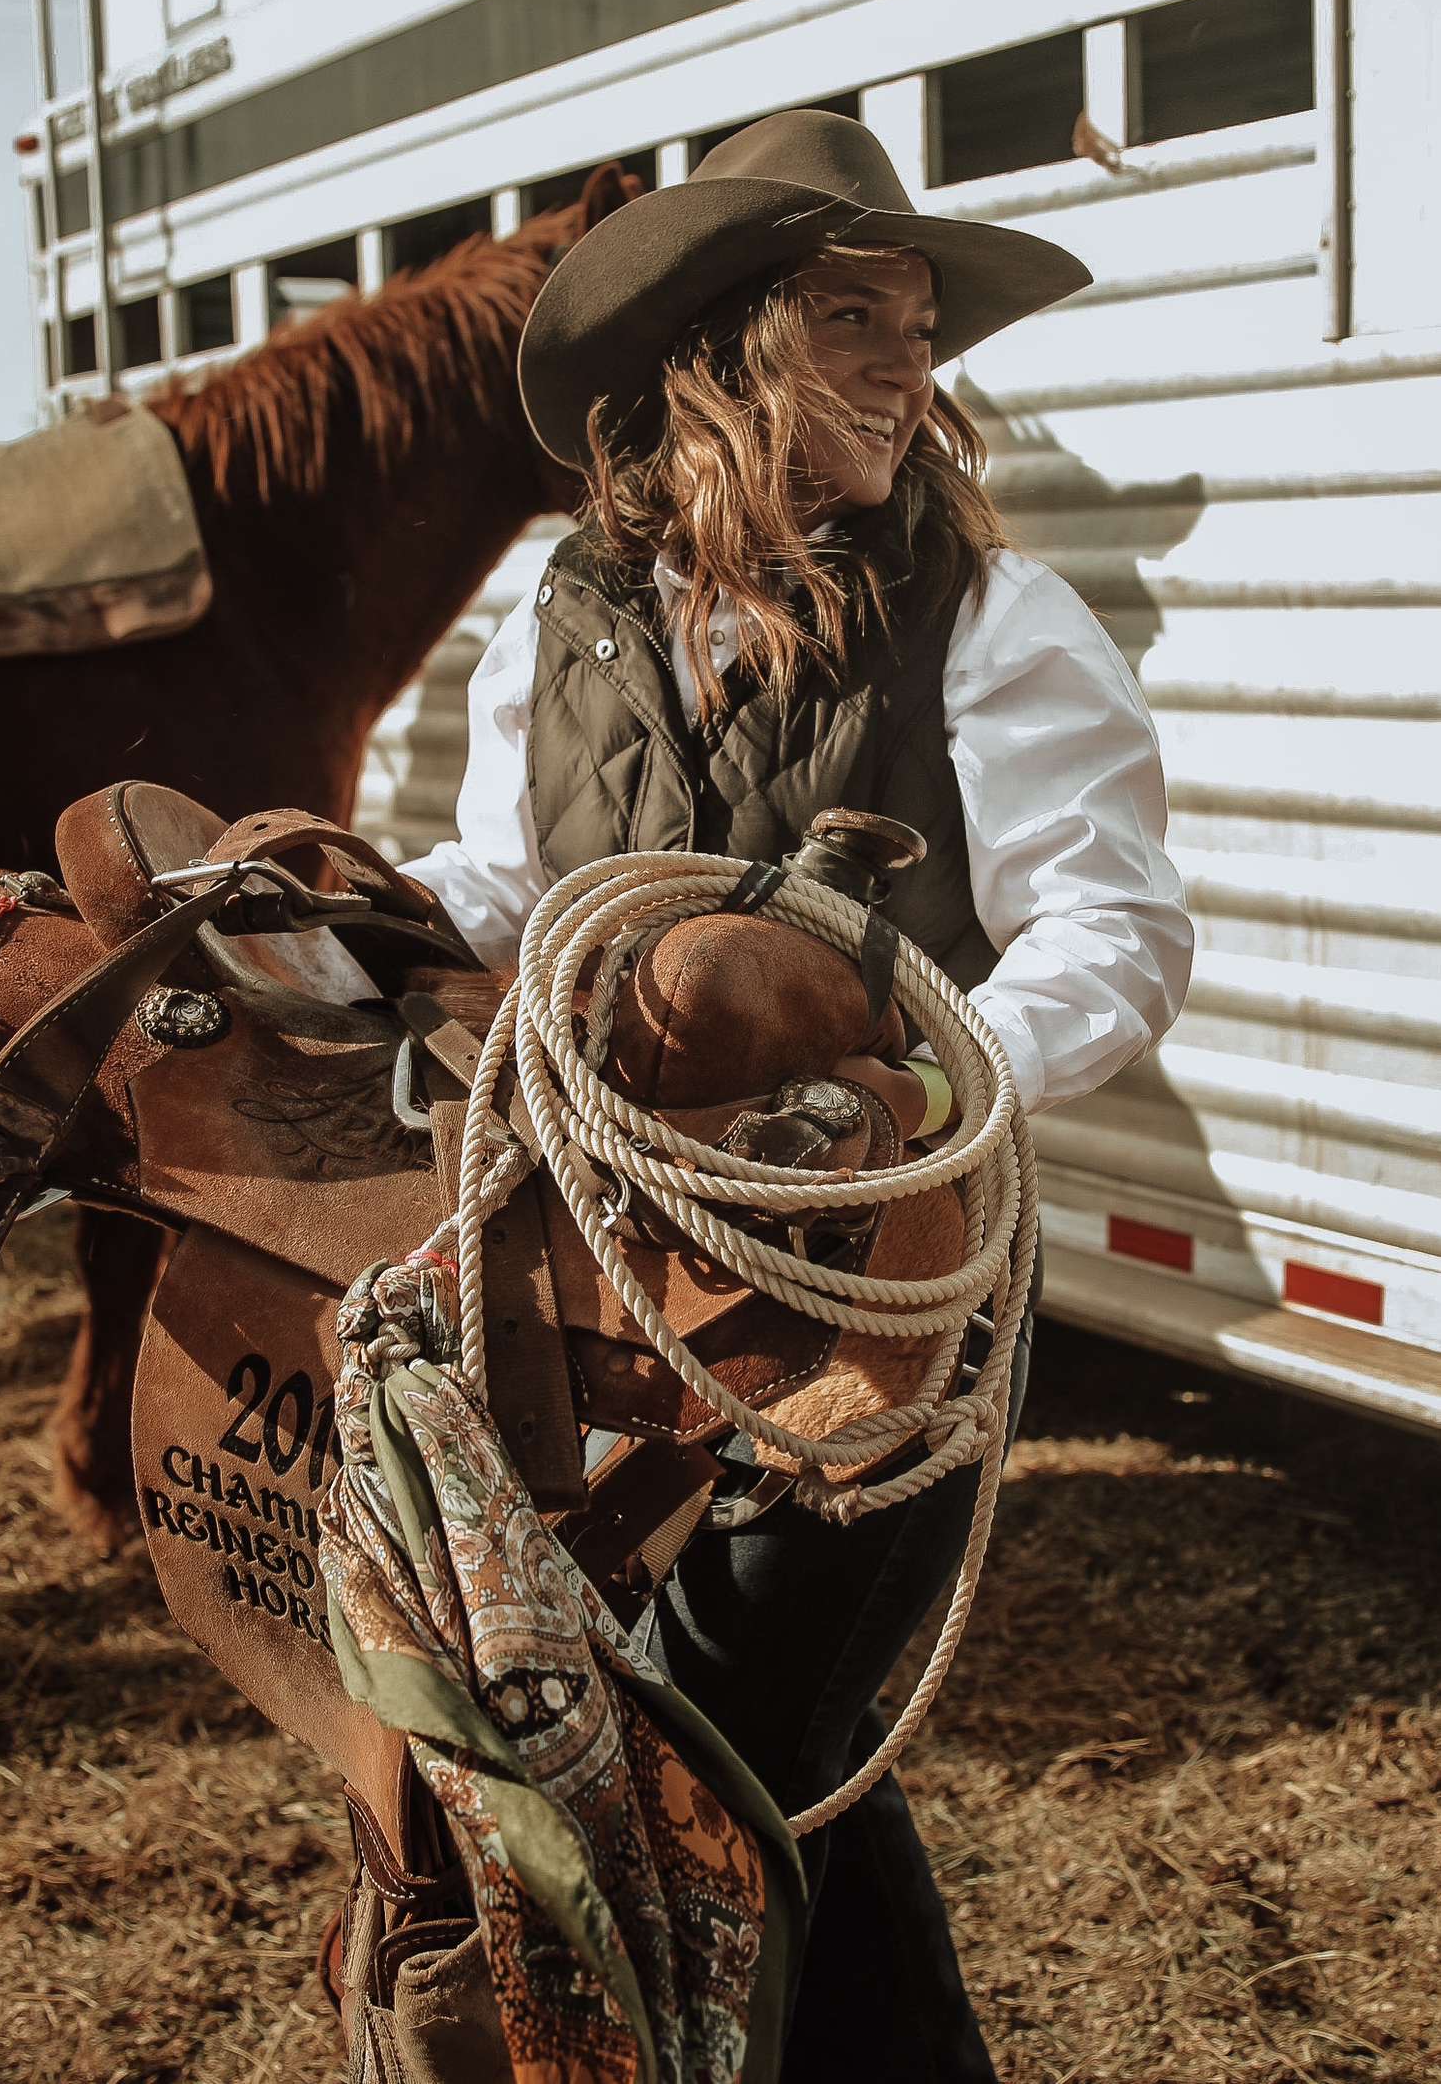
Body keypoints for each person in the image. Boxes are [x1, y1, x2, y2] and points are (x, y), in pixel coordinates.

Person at [403, 110, 1194, 2080]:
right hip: (615, 1295)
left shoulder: (985, 620)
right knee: (760, 1744)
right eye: (857, 317)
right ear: (723, 346)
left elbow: (1113, 930)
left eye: (917, 327)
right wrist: (338, 910)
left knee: (705, 1730)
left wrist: (928, 1093)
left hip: (884, 1306)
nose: (910, 368)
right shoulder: (567, 613)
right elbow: (509, 882)